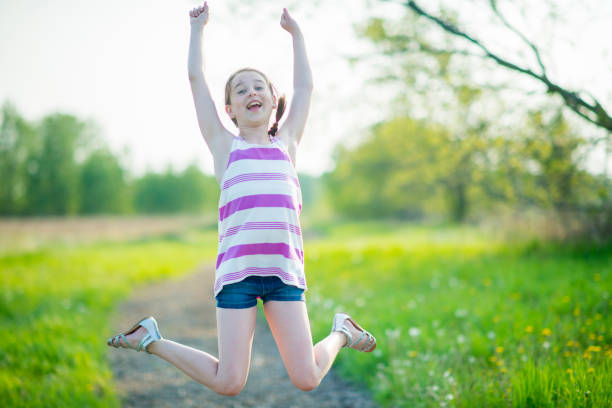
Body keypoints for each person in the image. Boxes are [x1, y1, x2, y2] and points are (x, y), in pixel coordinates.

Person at [107, 2, 376, 396]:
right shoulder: (223, 147)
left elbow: (305, 88)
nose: (251, 92)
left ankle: (341, 332)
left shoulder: (288, 143)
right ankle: (150, 338)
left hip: (284, 275)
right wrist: (197, 30)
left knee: (307, 378)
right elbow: (196, 78)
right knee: (230, 382)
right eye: (240, 89)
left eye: (259, 86)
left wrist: (297, 35)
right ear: (230, 110)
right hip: (237, 275)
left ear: (272, 99)